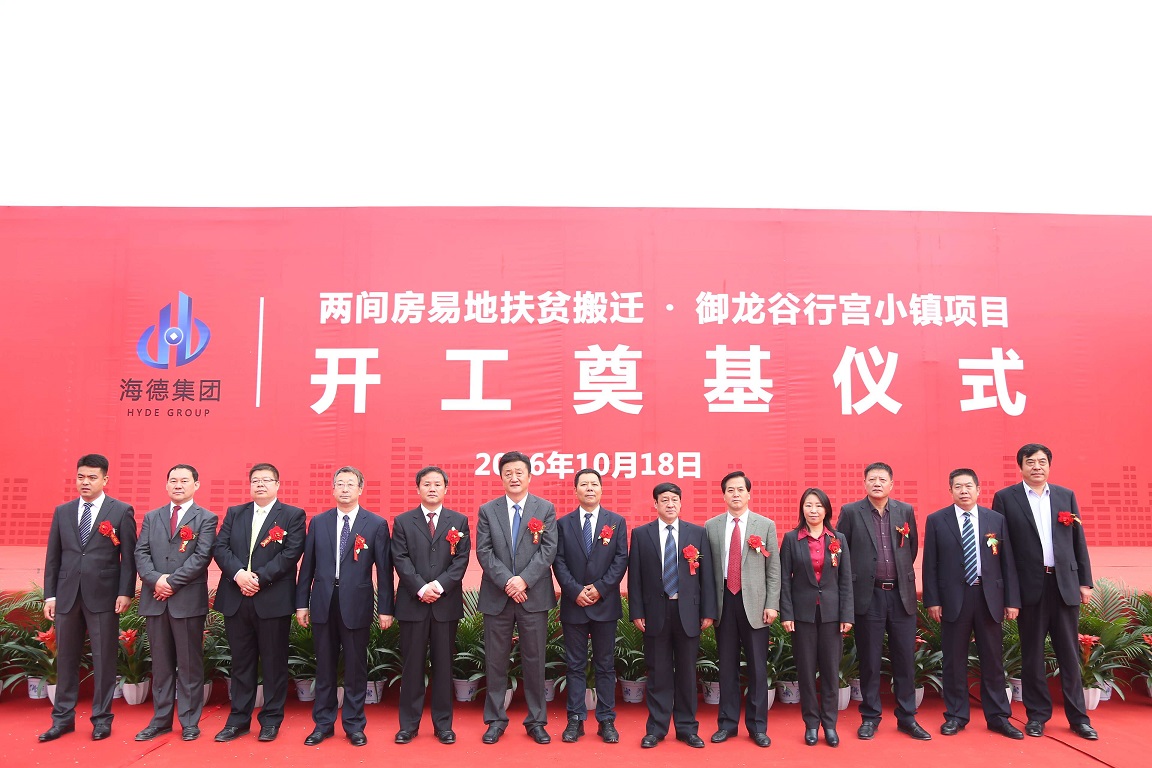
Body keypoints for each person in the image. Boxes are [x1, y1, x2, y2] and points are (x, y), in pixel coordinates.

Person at [992, 443, 1098, 740]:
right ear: (1020, 467)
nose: (1036, 466)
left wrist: (1085, 581)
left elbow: (1078, 541)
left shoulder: (1065, 495)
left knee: (1069, 655)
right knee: (1032, 655)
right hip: (1029, 588)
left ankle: (1079, 718)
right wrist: (1009, 594)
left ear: (1049, 465)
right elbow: (1002, 550)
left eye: (1042, 461)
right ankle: (1037, 716)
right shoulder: (1005, 498)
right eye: (1030, 462)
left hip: (1064, 585)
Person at [40, 454, 137, 743]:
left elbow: (128, 557)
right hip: (67, 596)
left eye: (92, 477)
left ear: (105, 479)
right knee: (66, 659)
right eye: (81, 477)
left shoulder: (121, 511)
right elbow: (53, 557)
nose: (86, 482)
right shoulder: (63, 511)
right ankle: (62, 719)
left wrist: (125, 592)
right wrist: (50, 595)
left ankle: (102, 719)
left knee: (104, 659)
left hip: (104, 597)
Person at [296, 466, 394, 747]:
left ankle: (354, 725)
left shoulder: (375, 524)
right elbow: (307, 566)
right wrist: (301, 604)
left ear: (360, 489)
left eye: (350, 484)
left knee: (355, 668)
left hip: (357, 604)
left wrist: (386, 608)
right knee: (324, 667)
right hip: (323, 601)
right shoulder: (319, 522)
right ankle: (323, 724)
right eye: (340, 483)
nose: (345, 488)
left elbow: (384, 571)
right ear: (333, 489)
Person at [923, 469, 1022, 739]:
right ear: (950, 491)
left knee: (992, 660)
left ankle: (998, 717)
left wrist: (1011, 600)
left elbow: (1007, 563)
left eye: (968, 486)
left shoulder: (995, 519)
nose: (963, 491)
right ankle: (956, 716)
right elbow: (930, 564)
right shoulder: (937, 520)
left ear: (978, 489)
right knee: (954, 660)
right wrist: (933, 600)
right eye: (958, 486)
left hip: (989, 597)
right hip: (954, 598)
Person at [212, 462, 306, 743]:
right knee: (241, 663)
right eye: (255, 480)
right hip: (236, 597)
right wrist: (239, 575)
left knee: (274, 663)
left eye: (266, 480)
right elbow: (220, 547)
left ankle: (271, 720)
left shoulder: (292, 515)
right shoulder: (235, 513)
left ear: (277, 484)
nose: (260, 484)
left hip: (272, 599)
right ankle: (238, 720)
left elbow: (291, 553)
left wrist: (259, 579)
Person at [836, 462, 929, 740]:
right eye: (872, 479)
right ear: (864, 483)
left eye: (882, 479)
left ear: (891, 484)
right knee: (869, 660)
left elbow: (910, 549)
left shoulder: (905, 511)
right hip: (868, 595)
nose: (877, 483)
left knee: (905, 659)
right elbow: (842, 552)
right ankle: (870, 717)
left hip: (901, 595)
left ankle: (907, 717)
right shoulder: (851, 512)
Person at [474, 451, 558, 745]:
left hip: (533, 596)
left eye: (519, 472)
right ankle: (495, 720)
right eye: (508, 473)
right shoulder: (488, 510)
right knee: (495, 661)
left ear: (529, 476)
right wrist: (508, 581)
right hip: (497, 596)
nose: (514, 477)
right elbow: (484, 551)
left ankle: (536, 721)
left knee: (535, 660)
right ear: (501, 478)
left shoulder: (544, 508)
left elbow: (548, 549)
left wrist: (523, 580)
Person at [628, 482, 717, 749]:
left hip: (688, 612)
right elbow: (635, 577)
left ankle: (687, 728)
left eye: (674, 499)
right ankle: (656, 729)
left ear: (681, 503)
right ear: (655, 504)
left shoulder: (697, 533)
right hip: (655, 612)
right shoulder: (641, 534)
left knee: (687, 673)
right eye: (664, 499)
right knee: (658, 672)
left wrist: (708, 611)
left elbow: (707, 577)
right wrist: (637, 611)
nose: (670, 504)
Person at [133, 464, 218, 742]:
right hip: (155, 599)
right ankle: (161, 720)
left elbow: (202, 556)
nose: (178, 485)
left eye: (184, 480)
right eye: (173, 480)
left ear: (196, 485)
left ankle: (190, 722)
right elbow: (141, 552)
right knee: (160, 665)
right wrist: (155, 579)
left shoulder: (206, 518)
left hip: (186, 601)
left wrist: (170, 583)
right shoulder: (152, 516)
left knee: (189, 664)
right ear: (166, 485)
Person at [391, 466, 471, 745]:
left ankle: (443, 725)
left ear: (446, 488)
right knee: (411, 666)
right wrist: (421, 588)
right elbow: (400, 558)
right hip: (413, 604)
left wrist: (438, 586)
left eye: (438, 484)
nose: (432, 488)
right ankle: (408, 725)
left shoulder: (458, 521)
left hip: (445, 604)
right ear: (418, 489)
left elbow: (461, 560)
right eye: (427, 484)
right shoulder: (403, 521)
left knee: (443, 667)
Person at [703, 470, 779, 748]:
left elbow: (773, 569)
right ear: (723, 495)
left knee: (758, 668)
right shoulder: (711, 526)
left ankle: (757, 727)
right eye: (730, 490)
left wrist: (772, 604)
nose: (735, 494)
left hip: (756, 605)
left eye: (740, 490)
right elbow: (706, 571)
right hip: (725, 602)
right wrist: (708, 608)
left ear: (749, 494)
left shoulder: (765, 525)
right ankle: (727, 724)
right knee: (727, 667)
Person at [552, 468, 628, 744]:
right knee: (574, 665)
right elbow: (558, 560)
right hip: (574, 604)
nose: (589, 488)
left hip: (604, 604)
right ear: (575, 491)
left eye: (594, 484)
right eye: (584, 484)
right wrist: (574, 591)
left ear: (601, 489)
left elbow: (620, 559)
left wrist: (600, 588)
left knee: (605, 665)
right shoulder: (563, 524)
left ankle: (606, 720)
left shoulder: (616, 522)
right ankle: (575, 719)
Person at [780, 488, 853, 747]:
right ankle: (811, 724)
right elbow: (784, 580)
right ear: (802, 509)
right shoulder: (791, 539)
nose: (813, 510)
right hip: (803, 616)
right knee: (806, 671)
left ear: (826, 510)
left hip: (832, 614)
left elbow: (845, 580)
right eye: (808, 505)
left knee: (831, 672)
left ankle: (830, 725)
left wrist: (847, 614)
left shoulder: (838, 539)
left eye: (818, 505)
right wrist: (787, 613)